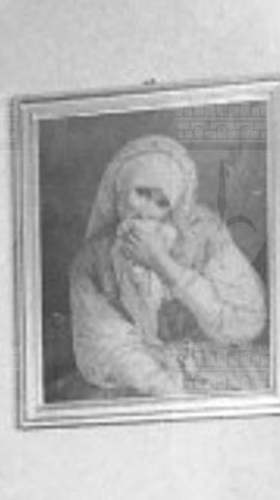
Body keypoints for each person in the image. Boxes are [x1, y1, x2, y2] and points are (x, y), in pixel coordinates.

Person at [68, 135, 268, 401]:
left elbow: (246, 322)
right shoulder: (94, 258)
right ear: (120, 192)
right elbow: (104, 347)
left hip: (217, 369)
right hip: (145, 381)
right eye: (141, 194)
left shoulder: (205, 234)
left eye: (162, 203)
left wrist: (161, 263)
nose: (147, 211)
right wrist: (169, 390)